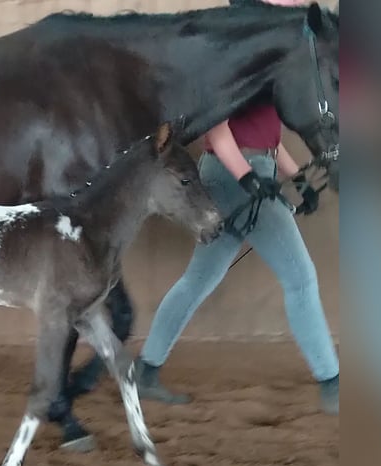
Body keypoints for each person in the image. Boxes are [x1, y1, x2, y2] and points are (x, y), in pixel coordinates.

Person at [134, 0, 339, 415]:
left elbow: (268, 138)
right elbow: (218, 129)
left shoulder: (266, 62)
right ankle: (332, 382)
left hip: (246, 171)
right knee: (300, 279)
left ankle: (145, 370)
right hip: (234, 177)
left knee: (197, 280)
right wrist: (247, 177)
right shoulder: (229, 61)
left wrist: (297, 176)